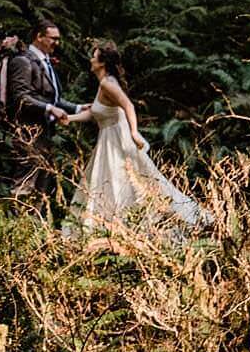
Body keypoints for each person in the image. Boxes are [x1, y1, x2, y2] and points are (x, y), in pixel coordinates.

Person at [60, 41, 209, 235]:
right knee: (112, 181)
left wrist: (134, 132)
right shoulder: (103, 83)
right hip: (107, 140)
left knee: (125, 181)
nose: (91, 60)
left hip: (117, 140)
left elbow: (128, 106)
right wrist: (69, 118)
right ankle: (114, 227)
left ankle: (167, 222)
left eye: (94, 57)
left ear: (102, 63)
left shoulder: (107, 84)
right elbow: (96, 113)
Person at [5, 16, 82, 204]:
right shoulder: (23, 61)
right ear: (39, 37)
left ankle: (36, 228)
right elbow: (21, 97)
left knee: (42, 186)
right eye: (53, 38)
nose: (57, 43)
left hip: (45, 134)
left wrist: (78, 108)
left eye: (57, 39)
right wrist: (49, 108)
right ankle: (16, 228)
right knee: (24, 184)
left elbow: (51, 97)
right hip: (28, 133)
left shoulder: (45, 61)